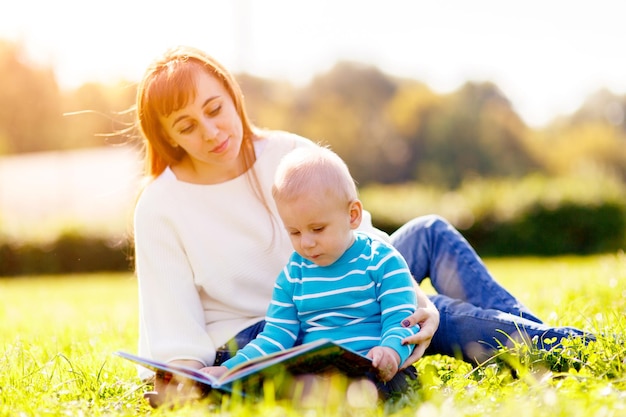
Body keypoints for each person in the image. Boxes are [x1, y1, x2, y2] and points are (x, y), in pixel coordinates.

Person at [132, 45, 592, 406]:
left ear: (233, 95)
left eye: (214, 109)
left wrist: (413, 302)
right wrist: (190, 378)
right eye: (187, 126)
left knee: (428, 235)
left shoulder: (287, 152)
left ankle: (545, 340)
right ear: (167, 135)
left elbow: (360, 238)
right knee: (446, 317)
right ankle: (574, 350)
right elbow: (174, 323)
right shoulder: (160, 206)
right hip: (272, 334)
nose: (211, 132)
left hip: (346, 278)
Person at [200, 145, 420, 399]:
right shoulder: (293, 276)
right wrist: (228, 369)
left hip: (377, 369)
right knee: (276, 382)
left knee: (367, 389)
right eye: (294, 232)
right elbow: (274, 337)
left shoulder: (382, 261)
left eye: (317, 229)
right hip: (317, 374)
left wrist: (390, 352)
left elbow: (402, 320)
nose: (306, 242)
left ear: (353, 215)